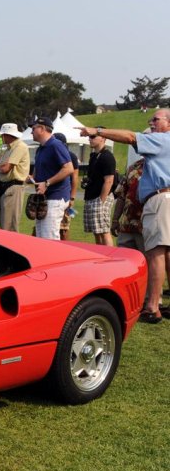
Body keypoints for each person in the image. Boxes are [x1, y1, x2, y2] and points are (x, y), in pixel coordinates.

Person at [78, 110, 170, 323]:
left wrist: (98, 130)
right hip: (163, 199)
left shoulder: (163, 140)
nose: (151, 123)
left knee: (155, 253)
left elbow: (130, 137)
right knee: (164, 252)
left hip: (160, 198)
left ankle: (152, 307)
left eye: (155, 119)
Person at [30, 117, 74, 240]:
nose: (31, 132)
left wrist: (46, 183)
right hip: (45, 199)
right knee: (41, 237)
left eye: (33, 128)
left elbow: (68, 168)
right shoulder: (41, 148)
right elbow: (41, 172)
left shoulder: (56, 145)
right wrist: (32, 179)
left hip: (55, 198)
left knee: (49, 239)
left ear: (42, 129)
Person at [82, 130, 117, 246]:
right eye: (89, 137)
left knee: (104, 231)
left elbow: (109, 181)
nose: (90, 139)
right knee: (96, 231)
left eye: (93, 137)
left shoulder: (107, 156)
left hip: (101, 197)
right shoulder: (94, 156)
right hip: (91, 196)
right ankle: (100, 255)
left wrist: (101, 201)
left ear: (103, 138)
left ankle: (109, 258)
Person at [0, 123, 30, 231]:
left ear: (8, 135)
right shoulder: (8, 148)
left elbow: (5, 168)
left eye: (3, 135)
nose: (1, 137)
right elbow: (2, 166)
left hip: (13, 187)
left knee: (9, 226)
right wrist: (0, 166)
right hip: (5, 187)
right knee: (4, 224)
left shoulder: (19, 146)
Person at [52, 133, 80, 240]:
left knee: (63, 227)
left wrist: (72, 198)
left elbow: (75, 178)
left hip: (64, 195)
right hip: (51, 195)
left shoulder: (71, 156)